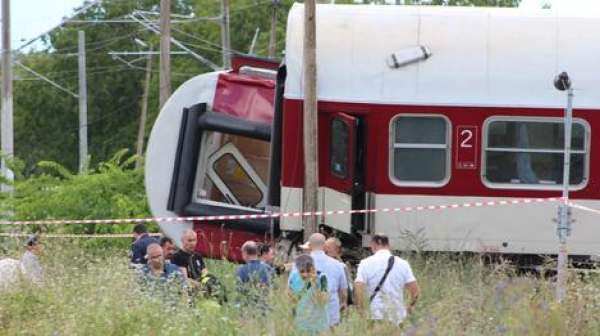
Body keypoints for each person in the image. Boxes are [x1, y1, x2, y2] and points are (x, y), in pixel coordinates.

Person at [355, 233, 420, 328]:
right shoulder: (403, 264)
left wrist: (361, 310)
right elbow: (415, 292)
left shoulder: (365, 263)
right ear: (388, 246)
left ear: (373, 246)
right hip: (396, 316)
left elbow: (359, 289)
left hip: (374, 316)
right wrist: (407, 308)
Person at [288, 233, 348, 327]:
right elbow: (343, 292)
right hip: (330, 315)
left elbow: (291, 290)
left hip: (306, 315)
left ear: (310, 246)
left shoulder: (298, 264)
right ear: (325, 246)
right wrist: (341, 304)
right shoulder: (338, 265)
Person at [289, 255, 329, 334]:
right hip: (300, 325)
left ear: (313, 268)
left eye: (308, 271)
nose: (305, 274)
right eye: (302, 271)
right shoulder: (294, 277)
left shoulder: (322, 277)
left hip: (318, 326)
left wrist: (313, 283)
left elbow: (321, 302)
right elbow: (292, 302)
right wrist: (291, 323)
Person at [236, 241, 274, 310]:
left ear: (245, 253)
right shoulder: (268, 268)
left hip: (249, 310)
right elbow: (275, 289)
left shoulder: (242, 270)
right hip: (267, 309)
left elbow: (239, 293)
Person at [325, 237, 354, 307]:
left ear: (337, 249)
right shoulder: (341, 266)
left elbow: (348, 287)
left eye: (328, 247)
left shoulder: (342, 266)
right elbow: (349, 287)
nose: (326, 249)